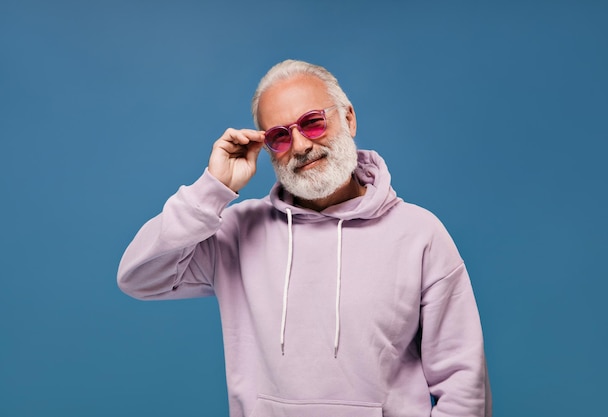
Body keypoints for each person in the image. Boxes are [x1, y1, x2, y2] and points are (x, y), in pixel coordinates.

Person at [118, 59, 492, 417]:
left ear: (348, 118)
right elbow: (139, 276)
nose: (299, 146)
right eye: (279, 137)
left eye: (312, 123)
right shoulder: (236, 232)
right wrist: (212, 189)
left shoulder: (419, 233)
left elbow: (463, 383)